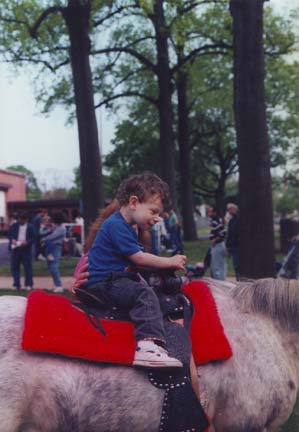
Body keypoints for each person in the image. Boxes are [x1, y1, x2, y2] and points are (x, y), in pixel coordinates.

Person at [83, 172, 186, 369]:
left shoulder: (126, 227)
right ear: (133, 202)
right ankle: (148, 346)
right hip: (105, 282)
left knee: (149, 290)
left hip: (112, 279)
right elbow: (138, 259)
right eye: (153, 211)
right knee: (144, 294)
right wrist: (169, 261)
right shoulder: (116, 225)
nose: (157, 219)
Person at [8, 212, 35, 290]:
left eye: (23, 219)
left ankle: (28, 284)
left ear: (26, 219)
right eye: (20, 219)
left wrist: (27, 242)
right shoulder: (14, 225)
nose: (21, 221)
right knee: (15, 268)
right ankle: (16, 284)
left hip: (25, 250)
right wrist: (12, 240)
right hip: (15, 248)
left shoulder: (31, 227)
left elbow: (33, 238)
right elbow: (9, 235)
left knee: (28, 268)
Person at [42, 212, 66, 293]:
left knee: (54, 267)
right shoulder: (55, 226)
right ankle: (56, 285)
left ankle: (59, 286)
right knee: (50, 267)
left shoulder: (62, 228)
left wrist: (43, 239)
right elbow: (44, 232)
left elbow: (52, 237)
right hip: (49, 248)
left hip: (56, 247)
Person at [207, 205, 227, 280]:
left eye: (210, 211)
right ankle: (221, 281)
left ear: (214, 212)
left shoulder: (216, 220)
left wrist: (214, 240)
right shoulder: (214, 220)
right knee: (220, 265)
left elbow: (223, 233)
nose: (208, 213)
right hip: (218, 245)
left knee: (216, 266)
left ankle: (219, 283)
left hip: (218, 245)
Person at [225, 203, 240, 279]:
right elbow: (229, 234)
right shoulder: (231, 221)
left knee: (239, 264)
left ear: (235, 209)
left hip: (239, 246)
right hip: (233, 246)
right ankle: (238, 279)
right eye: (228, 210)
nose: (229, 211)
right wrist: (228, 247)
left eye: (230, 209)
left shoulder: (239, 219)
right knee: (236, 265)